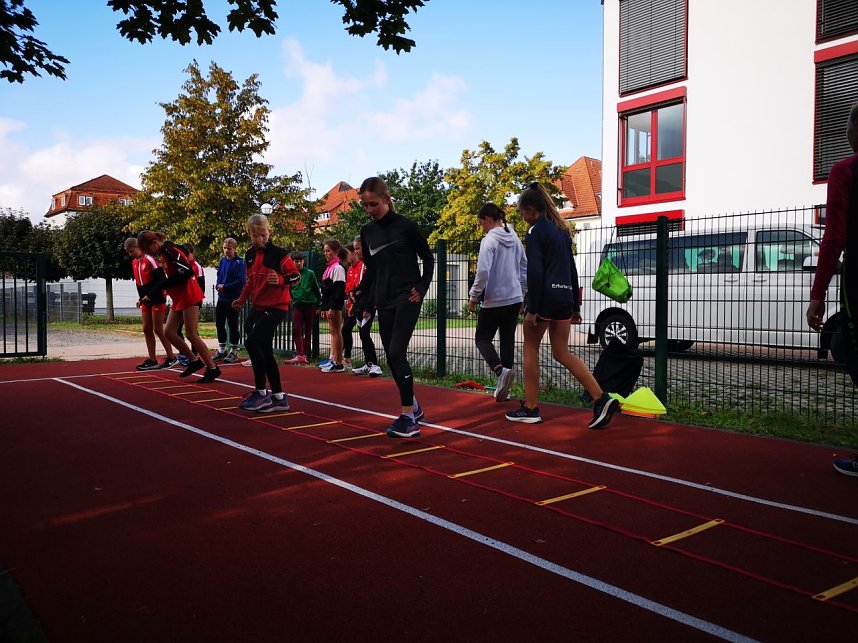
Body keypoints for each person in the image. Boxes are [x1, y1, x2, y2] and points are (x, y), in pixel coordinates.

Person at [505, 182, 617, 428]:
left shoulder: (536, 231)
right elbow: (571, 268)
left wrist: (532, 307)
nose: (523, 218)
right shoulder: (562, 230)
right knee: (562, 352)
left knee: (530, 350)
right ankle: (601, 397)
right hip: (565, 297)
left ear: (531, 209)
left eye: (522, 213)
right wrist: (575, 305)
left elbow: (535, 271)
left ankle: (532, 408)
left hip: (545, 299)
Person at [356, 176, 435, 438]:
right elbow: (372, 270)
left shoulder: (406, 226)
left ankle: (408, 418)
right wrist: (362, 299)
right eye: (365, 206)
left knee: (397, 352)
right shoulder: (367, 232)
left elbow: (428, 258)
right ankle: (413, 406)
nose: (369, 210)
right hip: (383, 299)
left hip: (407, 297)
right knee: (391, 356)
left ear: (387, 200)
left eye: (373, 204)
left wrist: (422, 288)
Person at [806, 102, 858, 477]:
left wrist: (818, 294)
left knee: (854, 355)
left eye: (847, 124)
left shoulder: (846, 171)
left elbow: (835, 236)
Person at [232, 213, 301, 412]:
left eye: (264, 235)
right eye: (256, 236)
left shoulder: (279, 254)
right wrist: (242, 299)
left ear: (269, 232)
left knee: (252, 342)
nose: (261, 239)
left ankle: (261, 392)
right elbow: (250, 281)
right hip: (259, 305)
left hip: (277, 306)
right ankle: (279, 396)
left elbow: (295, 276)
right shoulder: (250, 255)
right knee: (264, 349)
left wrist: (280, 280)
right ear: (250, 235)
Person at [136, 231, 221, 383]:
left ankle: (212, 368)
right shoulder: (164, 253)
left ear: (154, 243)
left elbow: (186, 272)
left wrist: (162, 285)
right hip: (178, 296)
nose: (150, 254)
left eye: (149, 250)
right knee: (168, 332)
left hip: (189, 294)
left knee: (191, 334)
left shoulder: (170, 250)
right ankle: (194, 361)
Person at [468, 203, 528, 402]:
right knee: (507, 339)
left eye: (481, 223)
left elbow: (483, 271)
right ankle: (505, 388)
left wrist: (474, 295)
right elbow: (524, 266)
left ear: (487, 219)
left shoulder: (489, 241)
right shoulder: (514, 236)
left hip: (495, 298)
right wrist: (523, 292)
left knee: (482, 339)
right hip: (514, 297)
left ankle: (500, 370)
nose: (481, 227)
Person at [124, 237, 178, 370]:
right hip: (146, 300)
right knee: (146, 329)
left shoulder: (150, 260)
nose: (131, 254)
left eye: (132, 251)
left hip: (157, 297)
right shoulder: (135, 263)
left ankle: (171, 357)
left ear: (139, 247)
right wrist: (141, 298)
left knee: (158, 329)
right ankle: (152, 359)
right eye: (128, 253)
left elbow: (161, 280)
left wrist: (150, 295)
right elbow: (139, 284)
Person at [347, 236, 382, 377]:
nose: (356, 252)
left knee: (365, 334)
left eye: (358, 249)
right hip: (360, 305)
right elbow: (364, 284)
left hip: (369, 304)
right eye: (354, 249)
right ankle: (369, 364)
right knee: (362, 335)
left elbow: (373, 286)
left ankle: (375, 365)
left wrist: (369, 307)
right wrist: (354, 294)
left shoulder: (372, 263)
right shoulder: (365, 264)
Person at [213, 237, 247, 363]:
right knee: (219, 323)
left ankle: (234, 351)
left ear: (234, 249)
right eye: (225, 248)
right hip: (221, 297)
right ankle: (222, 350)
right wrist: (218, 285)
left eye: (229, 248)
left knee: (233, 324)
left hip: (233, 297)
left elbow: (241, 281)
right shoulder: (222, 261)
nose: (227, 250)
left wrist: (226, 287)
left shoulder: (239, 262)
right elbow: (219, 275)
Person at [285, 250, 321, 365]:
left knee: (308, 329)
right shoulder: (291, 274)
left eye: (300, 261)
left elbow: (316, 289)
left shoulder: (310, 273)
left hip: (310, 304)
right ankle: (299, 354)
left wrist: (318, 304)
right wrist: (291, 298)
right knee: (296, 329)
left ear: (303, 262)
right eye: (296, 261)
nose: (299, 263)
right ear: (293, 262)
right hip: (298, 305)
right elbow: (289, 288)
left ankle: (305, 354)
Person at [319, 238, 347, 373]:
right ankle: (333, 358)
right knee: (332, 332)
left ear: (336, 252)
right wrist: (324, 307)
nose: (326, 253)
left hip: (334, 307)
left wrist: (332, 307)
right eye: (324, 251)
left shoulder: (338, 268)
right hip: (329, 305)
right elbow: (326, 292)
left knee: (337, 332)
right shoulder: (328, 269)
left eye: (328, 251)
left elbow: (339, 290)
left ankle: (339, 362)